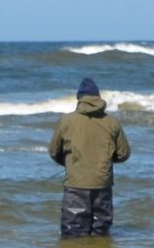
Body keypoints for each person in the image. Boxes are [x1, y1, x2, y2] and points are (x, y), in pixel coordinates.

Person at [48, 77, 131, 237]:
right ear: (98, 98)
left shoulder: (66, 121)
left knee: (72, 234)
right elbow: (123, 154)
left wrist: (69, 163)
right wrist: (104, 158)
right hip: (102, 186)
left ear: (79, 99)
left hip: (75, 187)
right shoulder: (112, 122)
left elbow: (53, 152)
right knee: (101, 233)